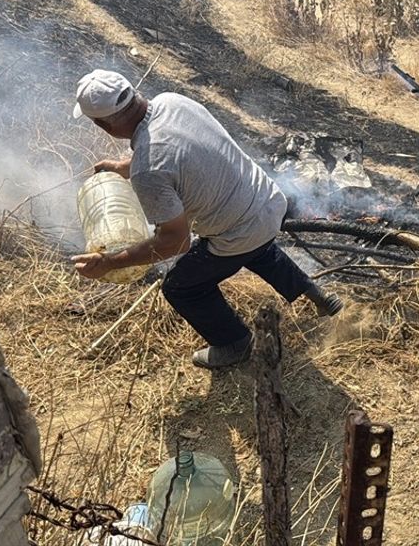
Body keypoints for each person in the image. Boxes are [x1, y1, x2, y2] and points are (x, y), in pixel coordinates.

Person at [69, 69, 344, 368]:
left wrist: (111, 262)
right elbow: (172, 149)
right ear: (133, 93)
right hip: (267, 200)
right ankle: (316, 293)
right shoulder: (172, 102)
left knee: (181, 287)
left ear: (103, 125)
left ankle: (235, 343)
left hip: (241, 228)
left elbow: (176, 242)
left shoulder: (148, 172)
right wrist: (125, 167)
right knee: (256, 246)